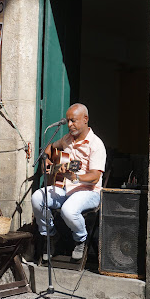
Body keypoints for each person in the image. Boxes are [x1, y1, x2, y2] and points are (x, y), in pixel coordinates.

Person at [32, 103, 106, 260]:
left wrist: (77, 177)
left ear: (85, 119)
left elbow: (95, 177)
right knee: (38, 198)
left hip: (89, 191)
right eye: (68, 121)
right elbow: (50, 147)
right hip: (67, 190)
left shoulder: (96, 144)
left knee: (68, 210)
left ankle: (81, 240)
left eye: (73, 121)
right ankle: (51, 236)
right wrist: (46, 161)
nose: (70, 125)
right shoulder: (67, 139)